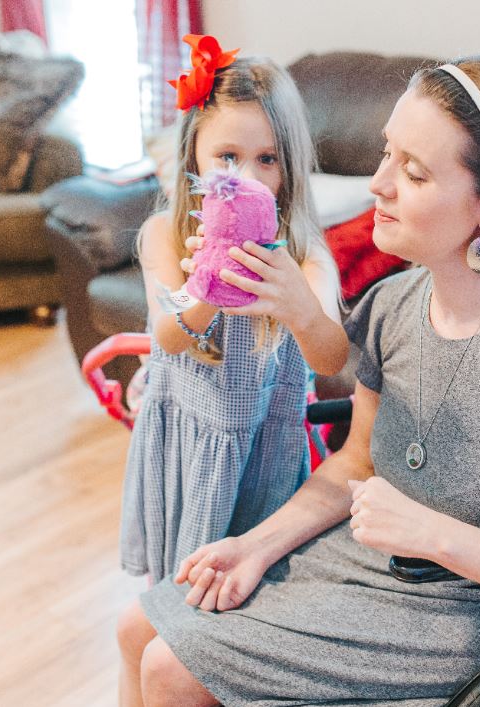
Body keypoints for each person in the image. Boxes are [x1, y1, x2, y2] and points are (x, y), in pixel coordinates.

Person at [116, 53, 480, 707]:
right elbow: (353, 462)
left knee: (171, 669)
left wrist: (431, 531)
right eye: (386, 154)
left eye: (411, 171)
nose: (376, 184)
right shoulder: (394, 306)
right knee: (135, 628)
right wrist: (252, 546)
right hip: (379, 562)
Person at [120, 35, 347, 587]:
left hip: (262, 452)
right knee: (176, 586)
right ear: (192, 155)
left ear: (289, 168)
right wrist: (206, 285)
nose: (246, 178)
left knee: (246, 591)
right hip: (187, 446)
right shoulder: (165, 238)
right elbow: (169, 337)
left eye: (266, 159)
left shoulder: (303, 256)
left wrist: (298, 308)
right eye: (227, 157)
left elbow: (331, 356)